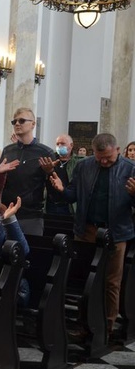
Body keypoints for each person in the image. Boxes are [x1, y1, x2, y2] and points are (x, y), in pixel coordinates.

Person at [49, 133, 135, 340]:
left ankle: (107, 325)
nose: (104, 161)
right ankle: (83, 323)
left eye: (108, 157)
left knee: (111, 281)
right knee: (85, 278)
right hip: (86, 230)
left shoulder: (131, 168)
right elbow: (72, 194)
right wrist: (61, 190)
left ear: (117, 149)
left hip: (117, 232)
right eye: (99, 157)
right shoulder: (84, 166)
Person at [0, 108, 55, 236]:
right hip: (7, 211)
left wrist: (50, 172)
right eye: (14, 121)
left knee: (30, 252)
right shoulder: (8, 150)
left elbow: (54, 190)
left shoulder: (45, 152)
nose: (17, 124)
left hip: (31, 216)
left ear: (33, 124)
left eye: (22, 120)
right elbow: (1, 180)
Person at [42, 134, 82, 216]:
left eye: (63, 144)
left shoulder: (79, 162)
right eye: (57, 144)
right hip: (50, 204)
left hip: (69, 206)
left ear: (71, 145)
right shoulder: (50, 160)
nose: (59, 146)